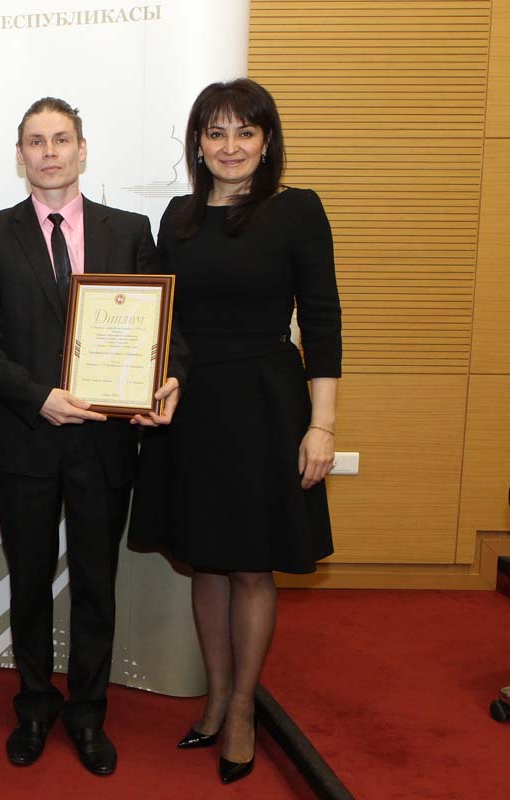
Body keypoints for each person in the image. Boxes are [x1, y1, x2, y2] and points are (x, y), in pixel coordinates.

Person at [0, 97, 187, 776]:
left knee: (95, 585)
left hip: (104, 444)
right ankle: (33, 706)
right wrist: (39, 398)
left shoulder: (129, 230)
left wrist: (167, 377)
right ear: (20, 155)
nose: (49, 152)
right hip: (25, 437)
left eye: (61, 139)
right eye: (36, 141)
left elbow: (163, 328)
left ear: (82, 150)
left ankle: (87, 713)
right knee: (28, 583)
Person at [128, 78, 340, 785]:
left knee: (250, 564)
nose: (230, 146)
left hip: (264, 403)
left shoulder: (296, 211)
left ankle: (245, 708)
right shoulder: (179, 217)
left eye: (244, 132)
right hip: (190, 405)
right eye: (215, 132)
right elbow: (162, 321)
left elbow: (323, 321)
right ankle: (216, 698)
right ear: (197, 143)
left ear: (266, 140)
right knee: (204, 558)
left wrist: (322, 426)